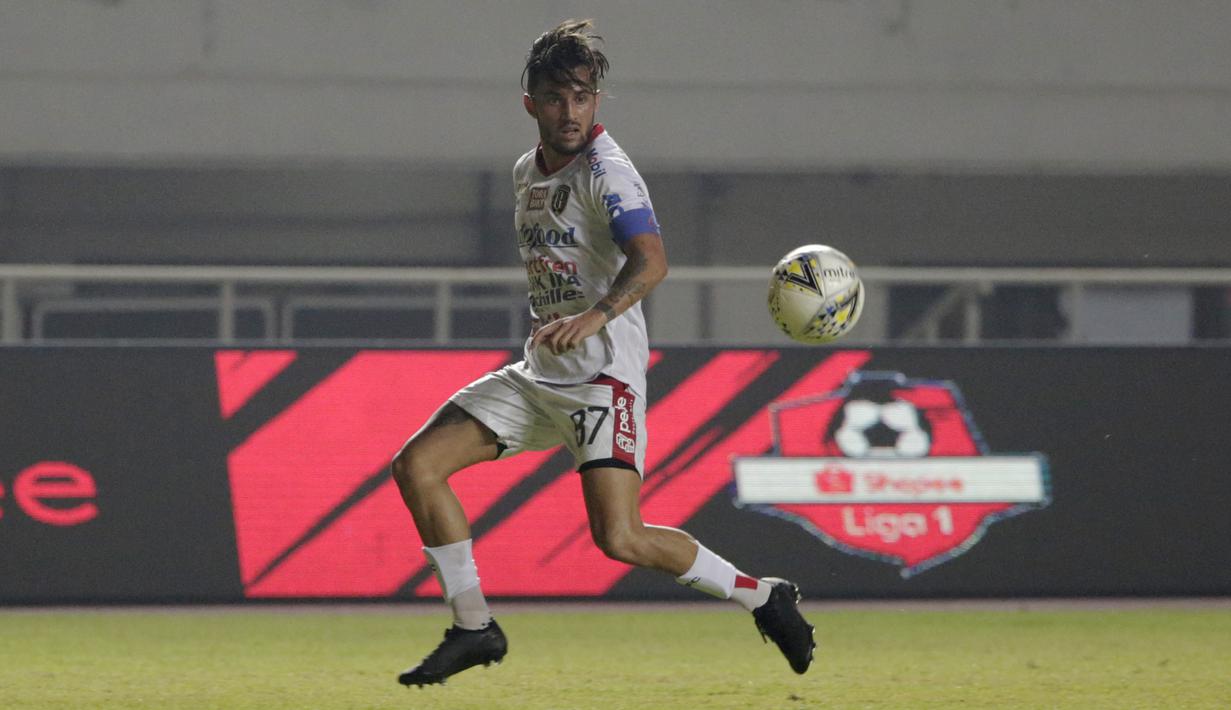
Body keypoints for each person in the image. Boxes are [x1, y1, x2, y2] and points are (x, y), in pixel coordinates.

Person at [392, 19, 815, 687]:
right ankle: (474, 628)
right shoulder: (525, 170)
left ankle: (764, 597)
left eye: (583, 96)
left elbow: (651, 263)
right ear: (529, 102)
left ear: (597, 101)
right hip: (539, 372)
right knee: (417, 466)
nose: (571, 112)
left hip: (600, 380)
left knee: (620, 539)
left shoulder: (607, 173)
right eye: (557, 98)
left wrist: (596, 315)